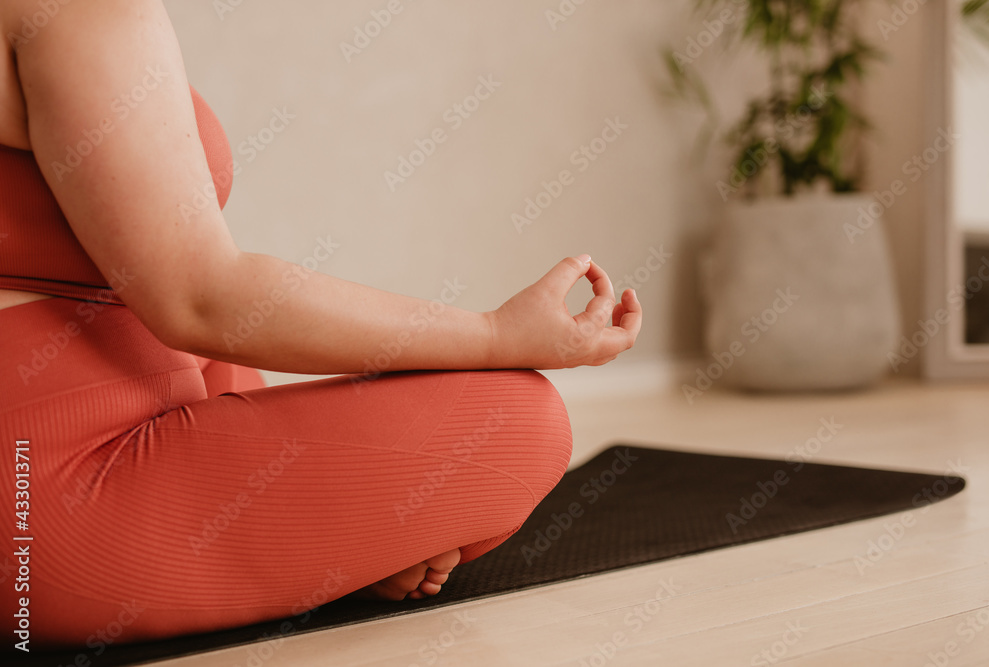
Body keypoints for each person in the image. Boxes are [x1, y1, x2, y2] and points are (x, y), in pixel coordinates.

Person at [0, 0, 641, 649]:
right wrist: (498, 335)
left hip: (85, 414)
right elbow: (201, 298)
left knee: (247, 377)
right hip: (45, 494)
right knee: (521, 419)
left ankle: (321, 553)